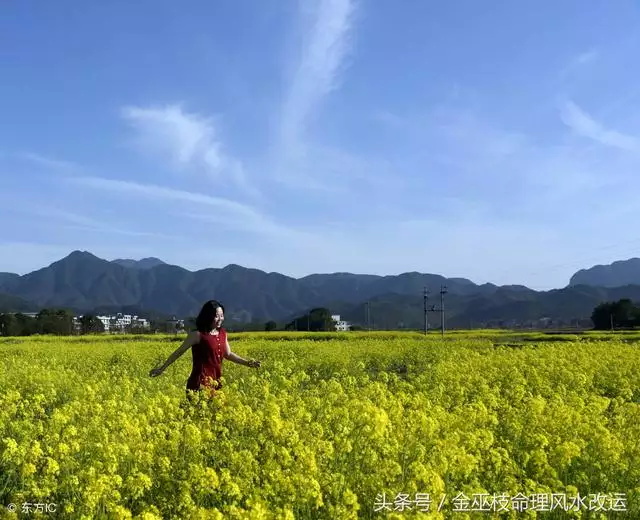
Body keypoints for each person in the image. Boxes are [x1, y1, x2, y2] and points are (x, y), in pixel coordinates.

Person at [149, 300, 261, 399]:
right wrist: (162, 368)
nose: (220, 319)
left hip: (216, 382)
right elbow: (178, 352)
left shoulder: (222, 333)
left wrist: (247, 363)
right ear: (208, 316)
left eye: (222, 316)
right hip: (199, 383)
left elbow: (228, 354)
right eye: (217, 316)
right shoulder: (197, 335)